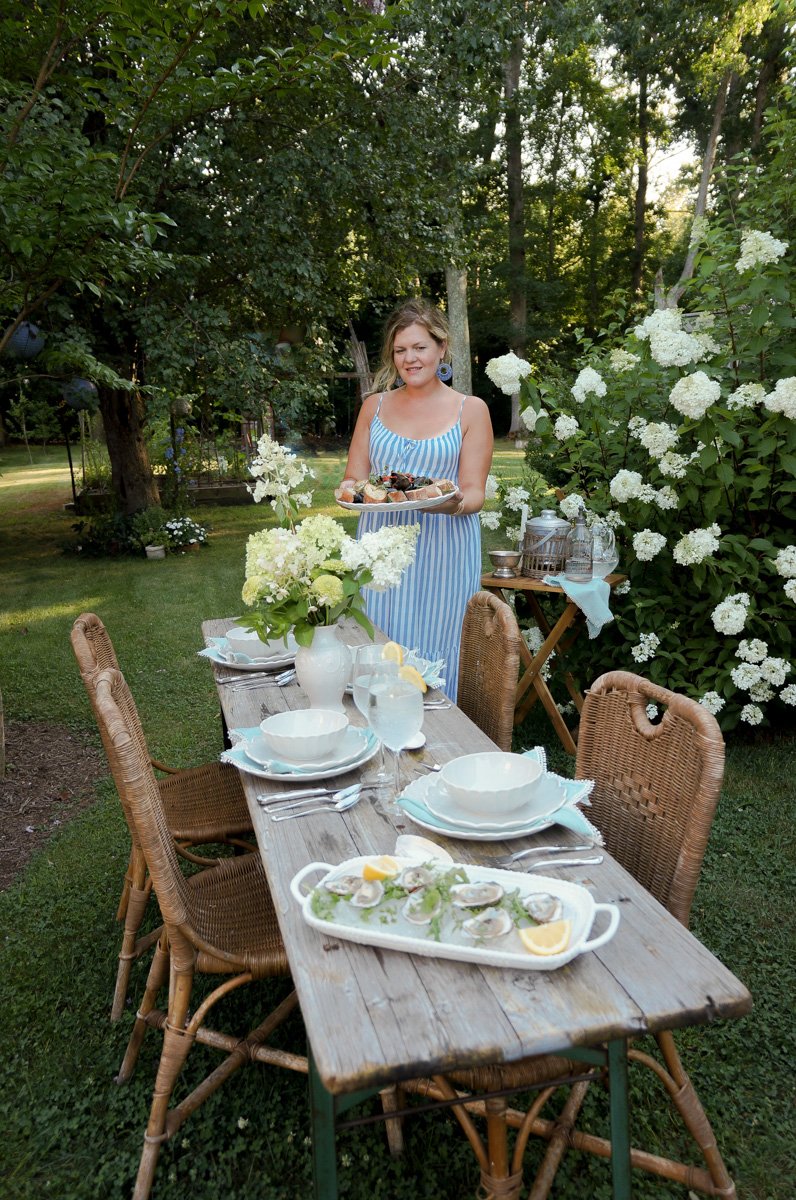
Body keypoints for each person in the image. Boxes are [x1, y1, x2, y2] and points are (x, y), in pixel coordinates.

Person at [342, 298, 493, 702]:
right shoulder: (373, 407)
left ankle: (442, 741)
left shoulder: (471, 410)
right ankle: (378, 733)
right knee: (381, 641)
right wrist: (353, 494)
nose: (410, 359)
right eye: (400, 350)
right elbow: (353, 481)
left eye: (420, 348)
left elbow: (474, 491)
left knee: (438, 644)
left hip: (444, 547)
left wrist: (453, 503)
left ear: (442, 348)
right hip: (380, 548)